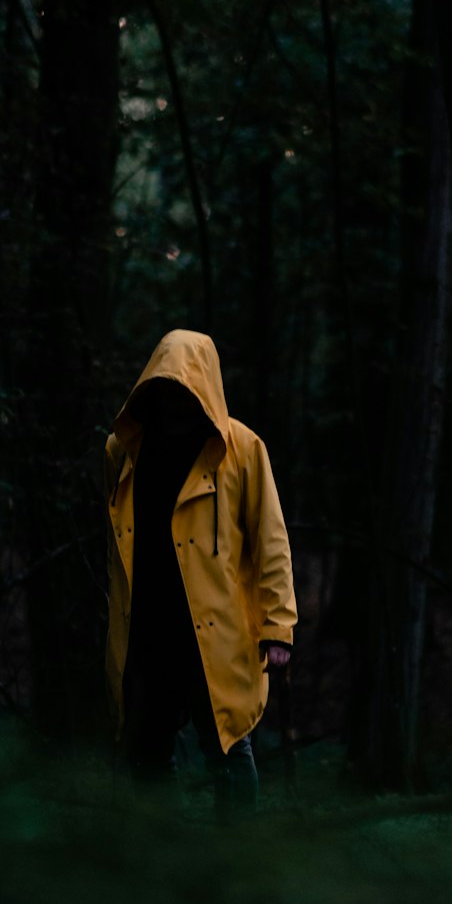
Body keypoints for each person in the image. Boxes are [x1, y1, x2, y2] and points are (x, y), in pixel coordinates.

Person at [104, 329, 297, 818]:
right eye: (165, 387)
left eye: (185, 388)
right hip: (148, 630)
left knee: (230, 748)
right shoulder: (123, 450)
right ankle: (164, 861)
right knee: (148, 751)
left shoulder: (244, 449)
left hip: (218, 635)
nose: (175, 397)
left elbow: (271, 540)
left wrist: (278, 628)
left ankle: (236, 863)